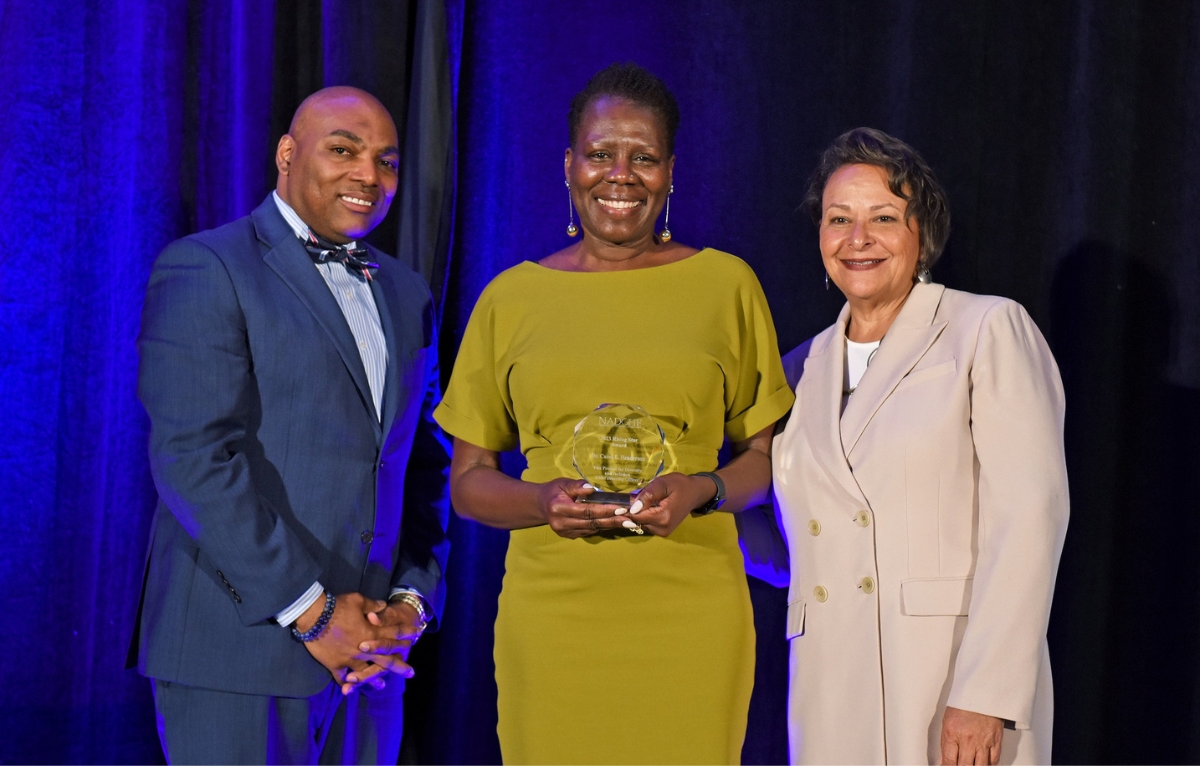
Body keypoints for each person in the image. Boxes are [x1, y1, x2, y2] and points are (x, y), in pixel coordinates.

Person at [433, 63, 794, 764]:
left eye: (643, 156)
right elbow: (469, 481)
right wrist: (542, 502)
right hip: (554, 615)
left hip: (691, 615)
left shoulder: (727, 285)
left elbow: (763, 460)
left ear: (670, 170)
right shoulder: (512, 299)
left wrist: (701, 490)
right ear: (570, 165)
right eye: (600, 153)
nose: (620, 174)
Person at [131, 86, 451, 764]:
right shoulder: (208, 267)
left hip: (370, 663)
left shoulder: (406, 292)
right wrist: (316, 614)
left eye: (386, 161)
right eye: (344, 150)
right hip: (236, 653)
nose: (369, 175)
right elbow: (194, 461)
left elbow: (423, 464)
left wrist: (409, 605)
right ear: (286, 154)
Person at [771, 127, 1069, 765]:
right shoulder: (799, 369)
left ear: (922, 235)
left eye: (883, 217)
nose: (858, 239)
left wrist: (987, 692)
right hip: (829, 683)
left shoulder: (985, 329)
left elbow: (1029, 518)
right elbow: (793, 537)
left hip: (946, 682)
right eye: (838, 219)